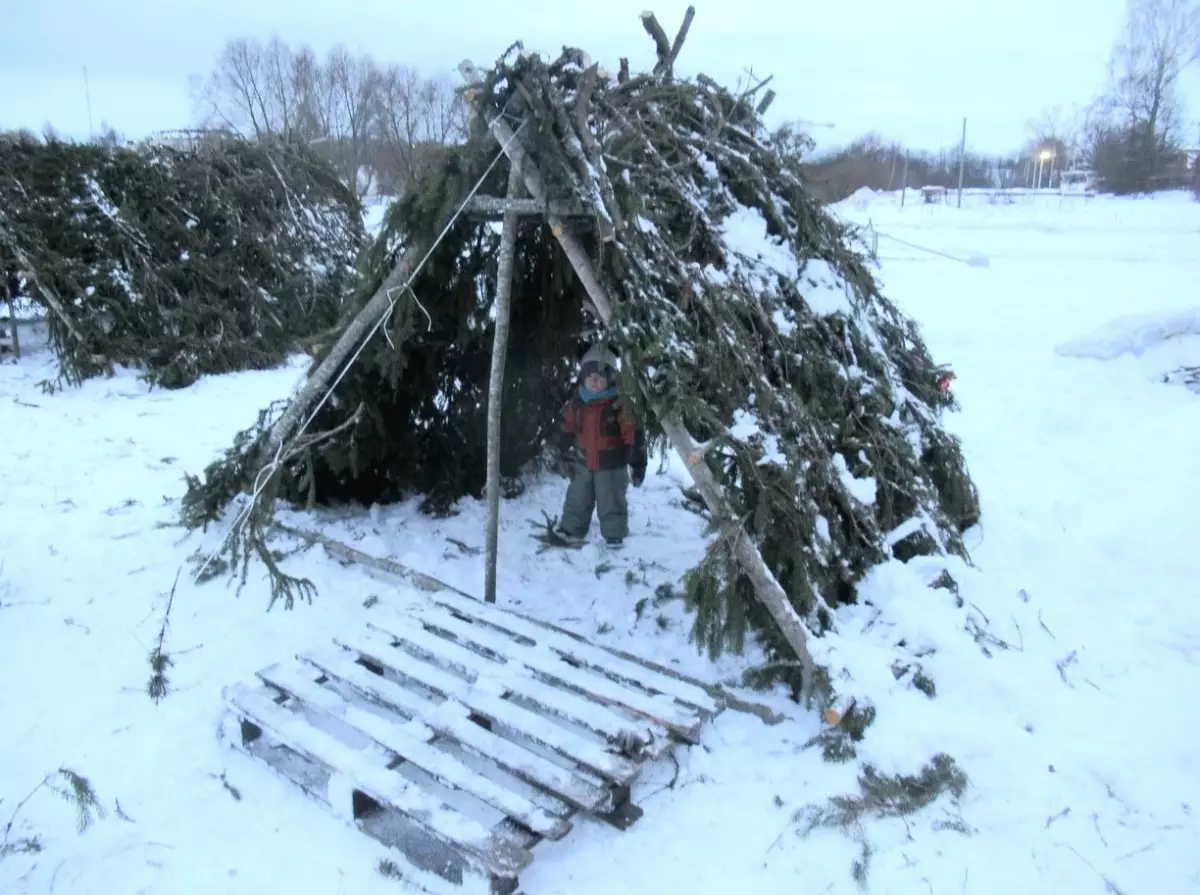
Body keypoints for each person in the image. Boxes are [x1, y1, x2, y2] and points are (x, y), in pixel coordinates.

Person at [555, 344, 647, 548]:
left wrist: (638, 462)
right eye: (590, 375)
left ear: (611, 378)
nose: (595, 380)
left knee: (611, 499)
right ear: (583, 377)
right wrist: (561, 448)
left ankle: (614, 533)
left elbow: (634, 432)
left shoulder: (619, 404)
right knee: (578, 497)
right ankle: (572, 527)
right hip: (583, 462)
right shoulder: (577, 402)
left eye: (601, 375)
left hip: (612, 466)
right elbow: (566, 427)